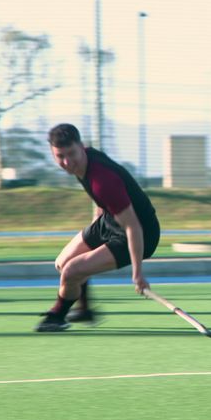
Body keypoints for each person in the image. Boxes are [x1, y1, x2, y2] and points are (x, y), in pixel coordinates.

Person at [35, 123, 161, 332]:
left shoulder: (103, 180)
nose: (67, 162)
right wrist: (97, 221)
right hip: (110, 222)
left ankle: (57, 316)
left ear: (81, 146)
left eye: (72, 154)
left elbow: (133, 226)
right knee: (62, 263)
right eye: (60, 156)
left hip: (141, 234)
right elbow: (103, 201)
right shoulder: (84, 162)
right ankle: (84, 309)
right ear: (52, 153)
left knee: (71, 271)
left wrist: (138, 273)